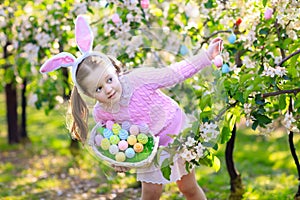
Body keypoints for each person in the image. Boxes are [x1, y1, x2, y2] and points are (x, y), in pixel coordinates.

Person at [40, 15, 223, 200]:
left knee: (188, 187)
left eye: (109, 80)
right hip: (149, 149)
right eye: (99, 89)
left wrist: (206, 57)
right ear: (89, 94)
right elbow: (118, 141)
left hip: (177, 133)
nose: (109, 89)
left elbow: (173, 73)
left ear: (114, 70)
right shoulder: (102, 113)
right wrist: (120, 161)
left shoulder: (139, 79)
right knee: (150, 195)